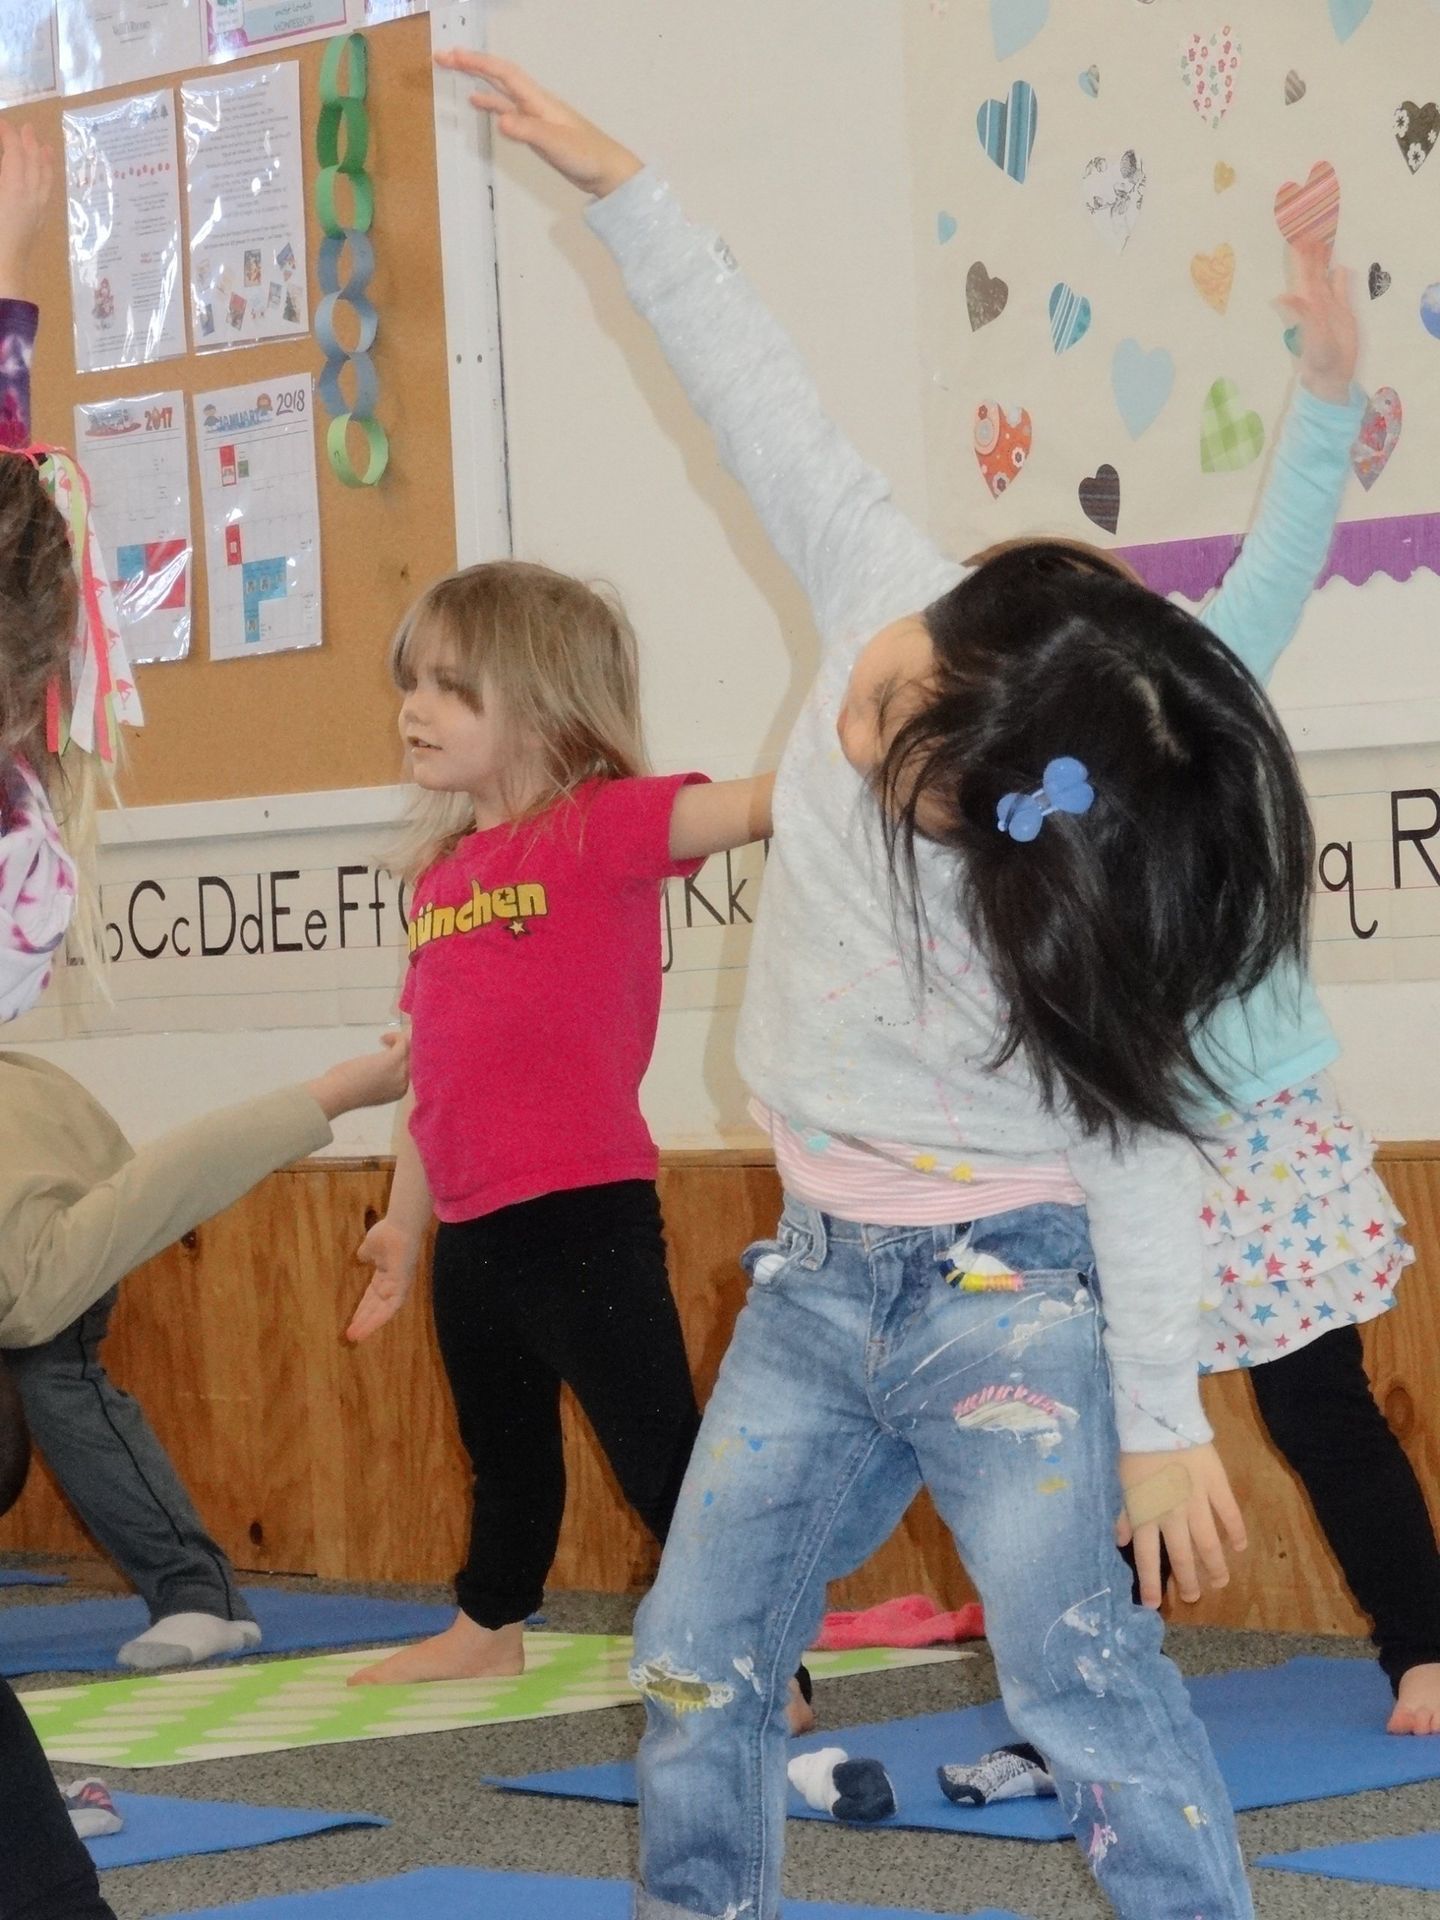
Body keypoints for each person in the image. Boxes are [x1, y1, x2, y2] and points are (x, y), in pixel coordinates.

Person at [439, 55, 1374, 1920]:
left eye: (897, 760)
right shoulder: (885, 578)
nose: (852, 735)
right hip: (812, 1282)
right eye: (878, 698)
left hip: (1006, 1301)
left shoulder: (1062, 880)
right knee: (696, 1656)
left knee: (1078, 1680)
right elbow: (754, 389)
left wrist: (1169, 1413)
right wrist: (628, 190)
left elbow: (1140, 1146)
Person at [341, 559, 785, 1702]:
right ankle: (490, 1618)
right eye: (411, 684)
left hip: (583, 1211)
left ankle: (749, 1646)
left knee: (657, 1451)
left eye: (450, 687)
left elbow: (742, 806)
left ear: (539, 703)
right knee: (505, 1448)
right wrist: (402, 1225)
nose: (414, 709)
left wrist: (865, 763)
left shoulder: (604, 827)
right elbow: (432, 1074)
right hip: (474, 1225)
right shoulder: (441, 880)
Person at [1, 1036, 410, 1668]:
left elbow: (187, 1169)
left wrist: (337, 1092)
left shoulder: (36, 1261)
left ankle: (200, 1597)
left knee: (53, 1375)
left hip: (53, 1227)